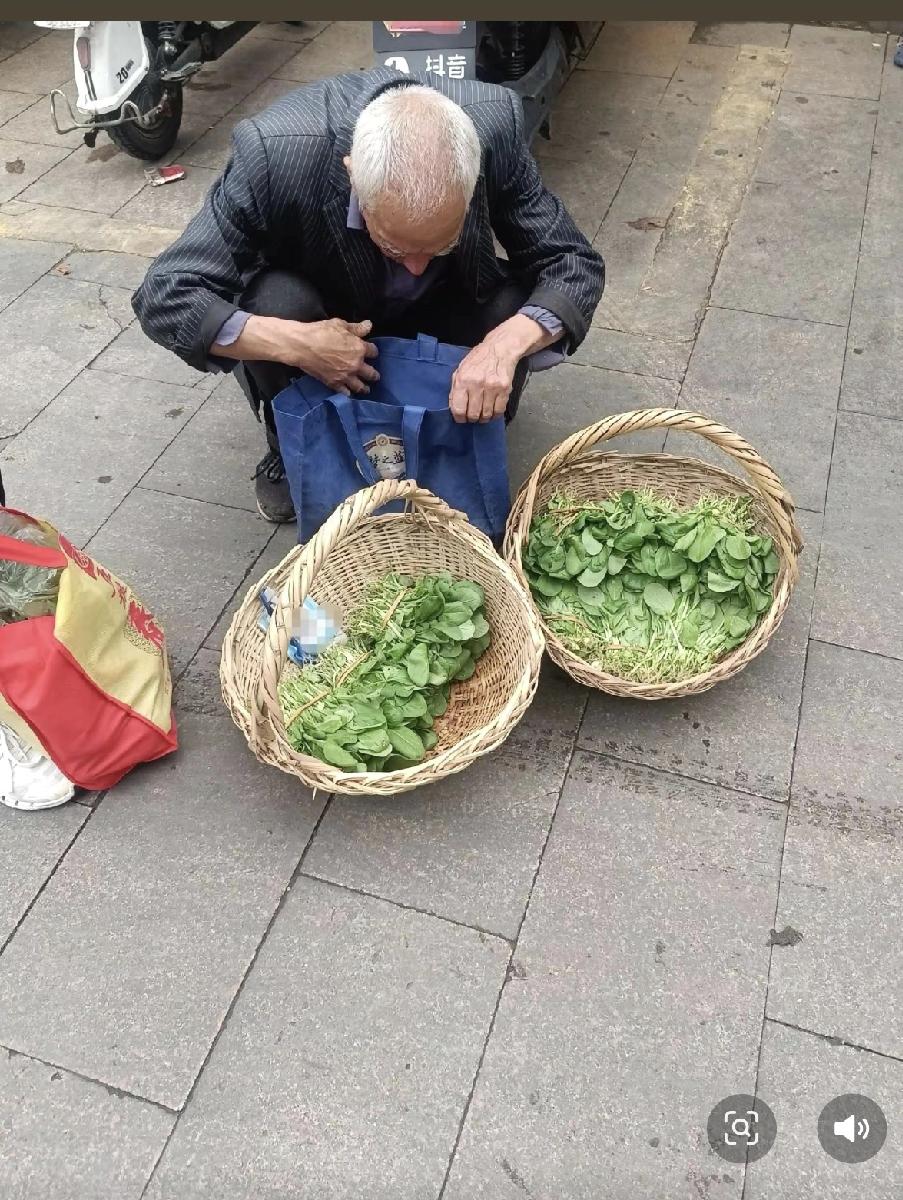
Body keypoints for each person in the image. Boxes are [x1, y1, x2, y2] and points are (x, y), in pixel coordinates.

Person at [133, 68, 605, 523]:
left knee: (513, 309)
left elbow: (571, 261)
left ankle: (465, 433)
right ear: (353, 176)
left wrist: (503, 347)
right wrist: (298, 344)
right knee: (276, 302)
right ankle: (291, 440)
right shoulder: (273, 152)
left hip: (446, 303)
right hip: (327, 309)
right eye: (395, 246)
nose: (415, 266)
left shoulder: (493, 128)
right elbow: (165, 293)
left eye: (441, 244)